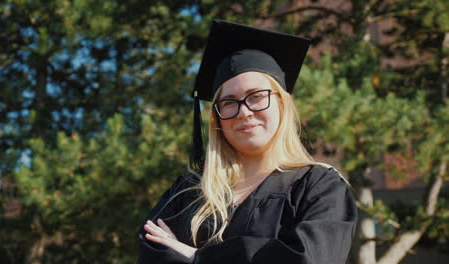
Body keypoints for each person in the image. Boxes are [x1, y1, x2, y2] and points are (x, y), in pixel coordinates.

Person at [136, 20, 357, 264]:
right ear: (216, 118)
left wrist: (198, 257)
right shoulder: (188, 192)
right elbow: (153, 251)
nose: (244, 112)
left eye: (257, 96)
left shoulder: (318, 188)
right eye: (229, 102)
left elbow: (308, 259)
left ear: (282, 104)